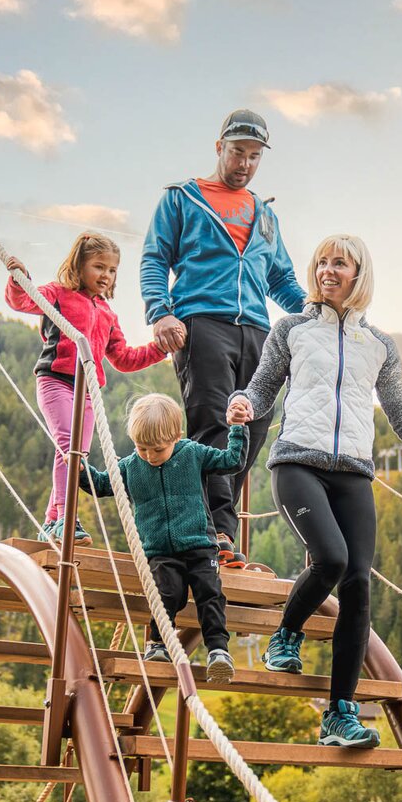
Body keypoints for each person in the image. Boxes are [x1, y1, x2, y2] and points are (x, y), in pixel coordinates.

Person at [226, 234, 402, 748]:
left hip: (354, 474)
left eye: (338, 263)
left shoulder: (380, 346)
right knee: (332, 560)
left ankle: (339, 714)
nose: (327, 270)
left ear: (358, 273)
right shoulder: (292, 330)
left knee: (359, 584)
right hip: (297, 463)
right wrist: (243, 403)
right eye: (321, 262)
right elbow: (261, 387)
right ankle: (286, 634)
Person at [140, 109, 306, 569]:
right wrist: (160, 313)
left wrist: (317, 314)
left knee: (251, 426)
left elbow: (282, 279)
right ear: (219, 147)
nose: (245, 163)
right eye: (238, 152)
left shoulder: (266, 215)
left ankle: (213, 527)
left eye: (254, 156)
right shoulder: (182, 199)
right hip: (200, 321)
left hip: (257, 328)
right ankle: (217, 533)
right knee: (214, 423)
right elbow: (154, 258)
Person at [4, 235, 167, 547]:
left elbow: (124, 358)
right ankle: (66, 516)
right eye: (99, 266)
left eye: (113, 270)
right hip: (56, 381)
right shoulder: (58, 293)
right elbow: (22, 300)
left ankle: (52, 520)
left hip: (88, 393)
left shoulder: (107, 313)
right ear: (79, 266)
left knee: (77, 453)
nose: (106, 275)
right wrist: (18, 279)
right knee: (68, 446)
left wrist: (159, 349)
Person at [80, 394, 248, 684]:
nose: (149, 455)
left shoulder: (192, 453)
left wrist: (236, 429)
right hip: (159, 550)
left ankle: (218, 651)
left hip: (199, 543)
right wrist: (80, 469)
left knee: (210, 594)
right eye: (141, 447)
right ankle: (158, 644)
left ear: (176, 437)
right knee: (165, 594)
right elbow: (102, 484)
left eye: (157, 449)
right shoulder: (131, 466)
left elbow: (231, 461)